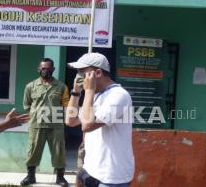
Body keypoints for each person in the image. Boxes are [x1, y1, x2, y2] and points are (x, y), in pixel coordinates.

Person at [65, 52, 134, 187]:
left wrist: (89, 91)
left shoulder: (119, 96)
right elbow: (70, 121)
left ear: (98, 73)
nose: (79, 75)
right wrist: (76, 92)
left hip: (111, 176)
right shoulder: (96, 95)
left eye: (82, 71)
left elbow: (87, 126)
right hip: (91, 169)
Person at [21, 58, 70, 187]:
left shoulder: (61, 86)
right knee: (33, 151)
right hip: (36, 124)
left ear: (53, 69)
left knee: (59, 151)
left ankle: (60, 178)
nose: (45, 70)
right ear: (38, 69)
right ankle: (30, 176)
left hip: (56, 125)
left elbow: (66, 105)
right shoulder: (30, 86)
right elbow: (27, 105)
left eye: (48, 68)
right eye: (43, 68)